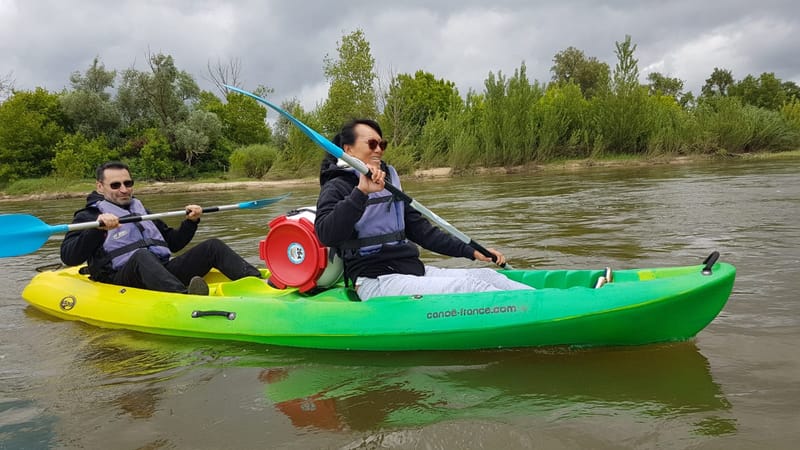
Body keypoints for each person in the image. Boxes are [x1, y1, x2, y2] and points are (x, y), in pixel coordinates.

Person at [314, 119, 533, 301]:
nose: (379, 149)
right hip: (375, 280)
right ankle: (534, 315)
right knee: (471, 287)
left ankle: (544, 302)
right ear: (348, 149)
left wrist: (471, 251)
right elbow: (326, 234)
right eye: (372, 144)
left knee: (490, 277)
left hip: (410, 269)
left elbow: (423, 232)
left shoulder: (388, 181)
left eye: (382, 144)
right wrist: (361, 192)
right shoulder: (338, 185)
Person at [60, 161, 262, 295]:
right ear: (100, 187)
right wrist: (97, 230)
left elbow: (173, 244)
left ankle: (258, 283)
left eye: (128, 183)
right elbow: (69, 257)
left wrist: (191, 222)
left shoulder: (141, 211)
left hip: (161, 270)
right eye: (115, 185)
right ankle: (184, 298)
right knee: (141, 255)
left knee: (212, 246)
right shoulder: (88, 216)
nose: (124, 189)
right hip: (120, 278)